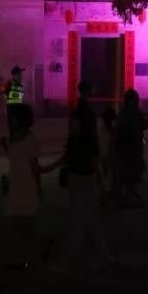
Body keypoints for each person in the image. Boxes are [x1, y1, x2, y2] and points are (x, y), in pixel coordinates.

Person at [48, 86, 111, 270]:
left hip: (84, 180)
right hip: (76, 179)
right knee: (85, 217)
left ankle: (75, 254)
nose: (71, 125)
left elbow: (94, 162)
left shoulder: (85, 141)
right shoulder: (74, 139)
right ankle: (99, 252)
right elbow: (66, 159)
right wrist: (45, 169)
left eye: (74, 122)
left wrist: (102, 185)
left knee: (81, 218)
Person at [1, 103, 44, 271]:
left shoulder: (30, 139)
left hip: (26, 185)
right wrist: (5, 147)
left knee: (24, 225)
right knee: (16, 224)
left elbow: (34, 168)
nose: (10, 120)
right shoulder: (12, 137)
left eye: (12, 117)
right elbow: (14, 157)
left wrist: (39, 189)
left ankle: (28, 257)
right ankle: (26, 255)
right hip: (15, 184)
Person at [114, 89, 146, 205]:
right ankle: (128, 195)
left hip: (130, 146)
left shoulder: (126, 115)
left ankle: (127, 194)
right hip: (130, 147)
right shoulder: (131, 115)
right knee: (130, 170)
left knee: (130, 170)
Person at [2, 65, 26, 130]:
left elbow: (21, 97)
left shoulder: (21, 85)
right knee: (13, 127)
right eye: (19, 74)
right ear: (15, 75)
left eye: (21, 74)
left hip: (19, 108)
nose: (21, 75)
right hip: (11, 109)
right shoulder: (9, 84)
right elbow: (4, 95)